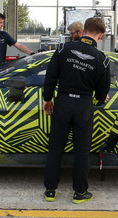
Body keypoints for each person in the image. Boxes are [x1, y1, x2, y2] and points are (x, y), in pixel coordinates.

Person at [43, 17, 111, 204]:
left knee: (56, 148)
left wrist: (47, 99)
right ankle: (80, 193)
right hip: (83, 107)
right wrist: (100, 97)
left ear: (84, 31)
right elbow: (102, 93)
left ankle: (50, 191)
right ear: (100, 35)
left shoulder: (63, 49)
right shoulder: (102, 60)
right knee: (82, 151)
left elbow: (50, 75)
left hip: (63, 103)